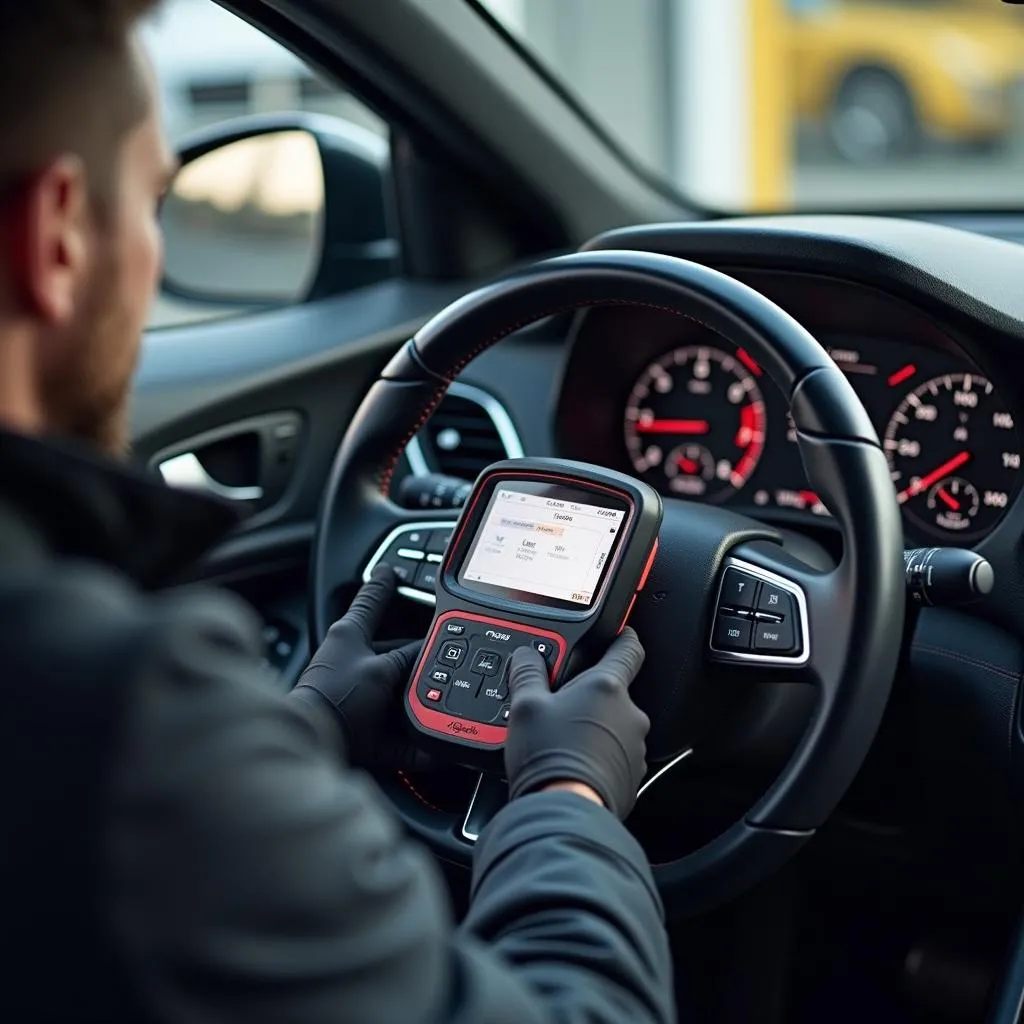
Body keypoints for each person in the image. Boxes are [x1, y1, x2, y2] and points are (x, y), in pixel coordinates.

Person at [0, 3, 675, 1022]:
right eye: (152, 206)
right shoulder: (124, 716)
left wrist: (296, 727)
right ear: (55, 238)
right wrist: (566, 800)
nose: (152, 258)